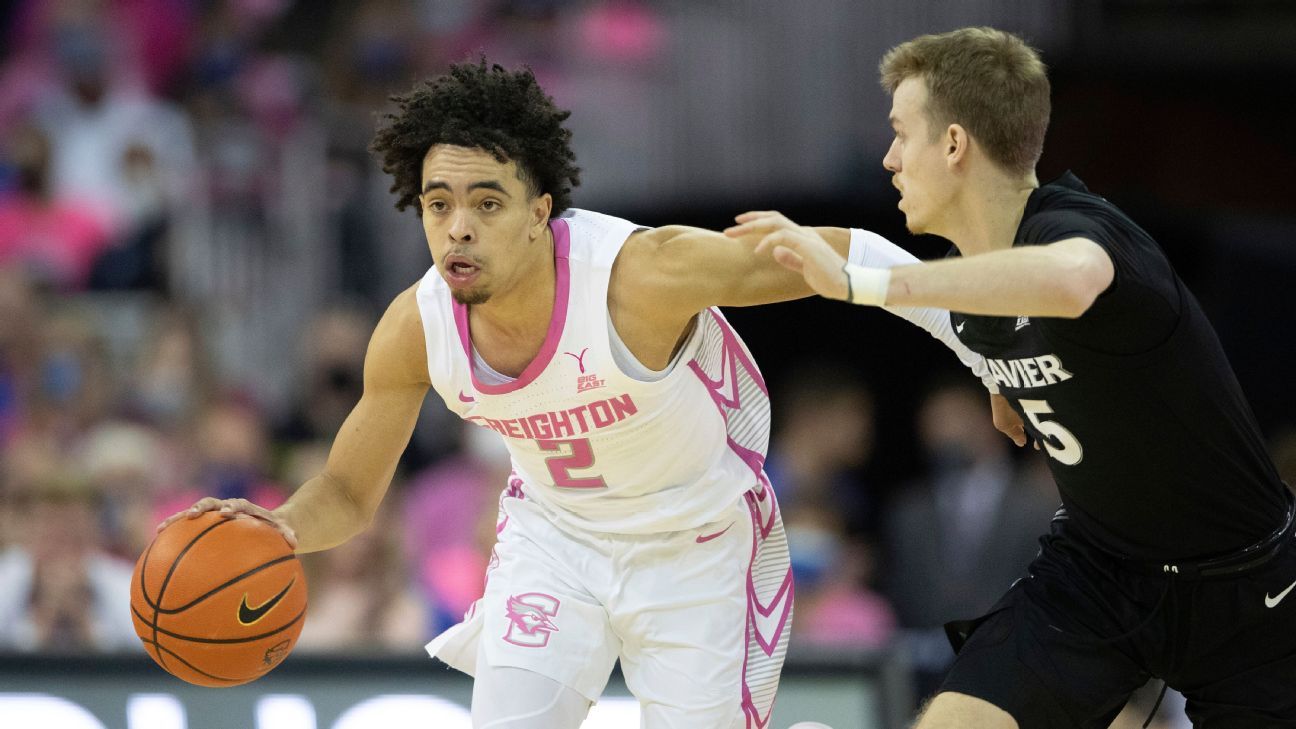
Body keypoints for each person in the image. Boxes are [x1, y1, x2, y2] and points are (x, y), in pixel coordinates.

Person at [160, 60, 991, 728]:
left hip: (698, 546)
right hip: (556, 541)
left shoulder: (638, 276)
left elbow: (840, 250)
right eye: (438, 203)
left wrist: (991, 356)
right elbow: (347, 489)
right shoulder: (415, 327)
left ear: (540, 212)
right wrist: (283, 526)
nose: (457, 227)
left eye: (486, 203)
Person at [730, 26, 1295, 729]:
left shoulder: (1076, 230)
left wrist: (855, 281)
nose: (889, 158)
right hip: (1099, 575)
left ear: (956, 144)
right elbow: (906, 275)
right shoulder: (971, 285)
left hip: (1246, 589)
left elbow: (1073, 279)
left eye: (903, 134)